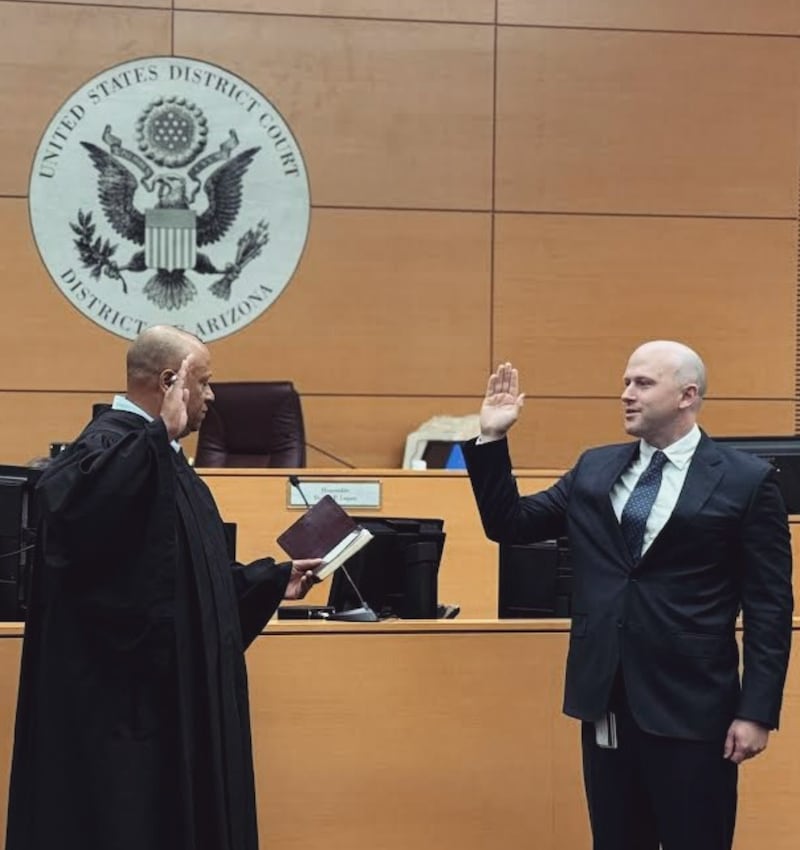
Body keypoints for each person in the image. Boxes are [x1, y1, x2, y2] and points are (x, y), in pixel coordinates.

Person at [463, 340, 793, 850]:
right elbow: (510, 523)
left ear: (687, 395)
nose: (626, 395)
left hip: (695, 707)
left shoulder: (746, 481)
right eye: (625, 382)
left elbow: (770, 605)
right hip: (608, 698)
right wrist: (490, 437)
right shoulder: (595, 468)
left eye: (642, 383)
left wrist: (757, 711)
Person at [5, 325, 321, 850]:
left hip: (169, 715)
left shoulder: (162, 458)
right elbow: (80, 534)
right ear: (171, 383)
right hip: (126, 730)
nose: (212, 397)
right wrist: (156, 437)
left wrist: (265, 583)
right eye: (205, 382)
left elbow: (176, 584)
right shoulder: (106, 449)